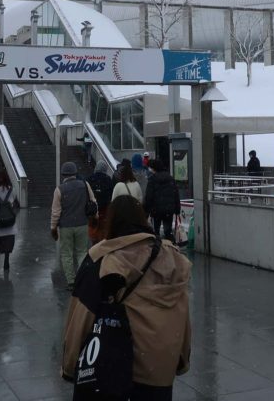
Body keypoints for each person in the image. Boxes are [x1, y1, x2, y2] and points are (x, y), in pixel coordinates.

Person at [61, 195, 192, 399]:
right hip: (160, 375)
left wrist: (69, 367)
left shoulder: (102, 259)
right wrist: (182, 358)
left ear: (111, 222)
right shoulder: (171, 258)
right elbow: (180, 309)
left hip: (116, 373)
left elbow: (81, 316)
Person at [51, 161, 96, 289]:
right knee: (82, 252)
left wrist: (53, 227)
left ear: (63, 174)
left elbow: (55, 212)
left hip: (66, 226)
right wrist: (95, 217)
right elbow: (93, 202)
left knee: (66, 254)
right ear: (75, 173)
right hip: (82, 224)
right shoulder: (84, 185)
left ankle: (71, 281)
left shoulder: (59, 189)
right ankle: (83, 278)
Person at [144, 158, 181, 242]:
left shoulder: (152, 179)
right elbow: (176, 194)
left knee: (156, 232)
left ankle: (158, 249)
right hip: (169, 209)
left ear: (154, 168)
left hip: (156, 210)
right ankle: (171, 247)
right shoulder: (170, 178)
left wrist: (146, 212)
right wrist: (177, 210)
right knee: (168, 231)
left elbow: (148, 197)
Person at [86, 160, 115, 244]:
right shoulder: (108, 179)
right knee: (103, 229)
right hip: (104, 209)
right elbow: (111, 194)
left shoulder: (89, 178)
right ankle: (102, 246)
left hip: (92, 209)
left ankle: (94, 245)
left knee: (93, 229)